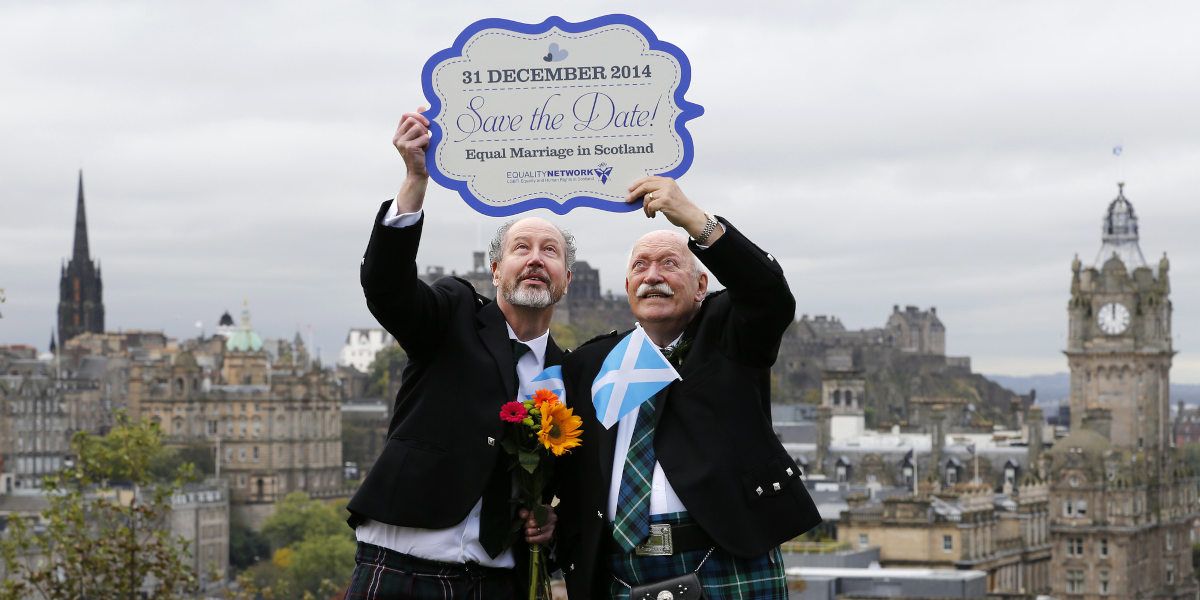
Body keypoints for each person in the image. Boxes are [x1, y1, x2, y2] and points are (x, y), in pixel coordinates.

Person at [555, 176, 821, 599]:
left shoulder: (729, 336)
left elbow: (768, 293)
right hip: (618, 568)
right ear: (627, 289)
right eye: (640, 266)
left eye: (669, 264)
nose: (652, 275)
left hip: (726, 554)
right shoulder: (594, 362)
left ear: (701, 287)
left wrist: (695, 221)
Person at [344, 108, 571, 599]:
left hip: (501, 581)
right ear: (494, 271)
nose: (535, 258)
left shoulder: (571, 373)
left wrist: (553, 522)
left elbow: (576, 483)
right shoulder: (452, 316)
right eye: (521, 248)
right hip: (404, 565)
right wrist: (414, 182)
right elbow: (386, 288)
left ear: (567, 280)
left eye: (550, 251)